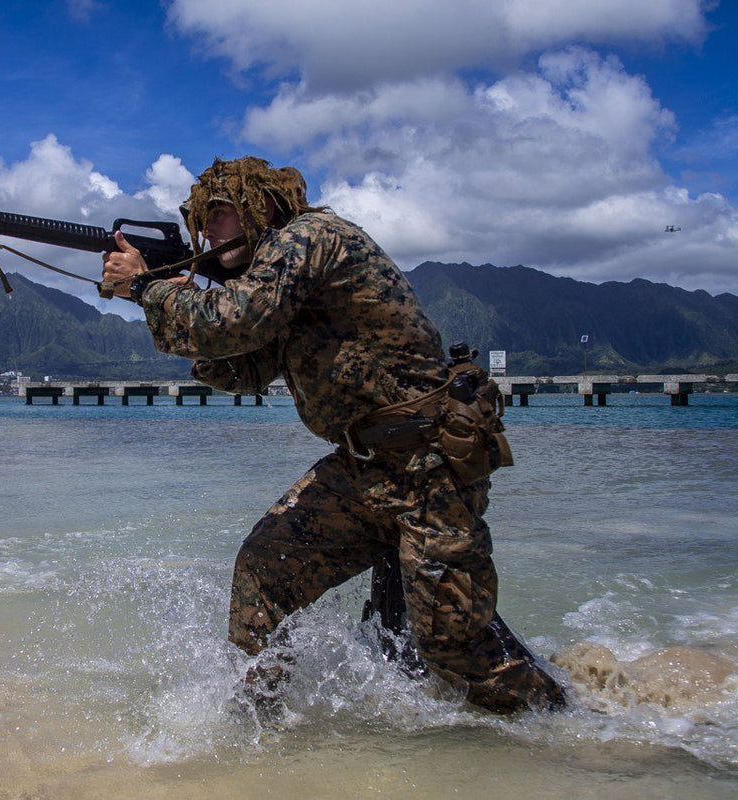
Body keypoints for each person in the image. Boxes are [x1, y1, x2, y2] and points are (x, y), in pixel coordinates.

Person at [102, 156, 565, 713]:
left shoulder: (310, 236)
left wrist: (149, 290)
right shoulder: (278, 279)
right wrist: (172, 303)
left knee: (455, 646)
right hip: (363, 464)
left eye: (219, 215)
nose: (207, 234)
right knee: (264, 570)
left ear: (262, 207)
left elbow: (236, 319)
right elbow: (244, 365)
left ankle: (575, 737)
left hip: (425, 464)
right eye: (203, 222)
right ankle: (260, 729)